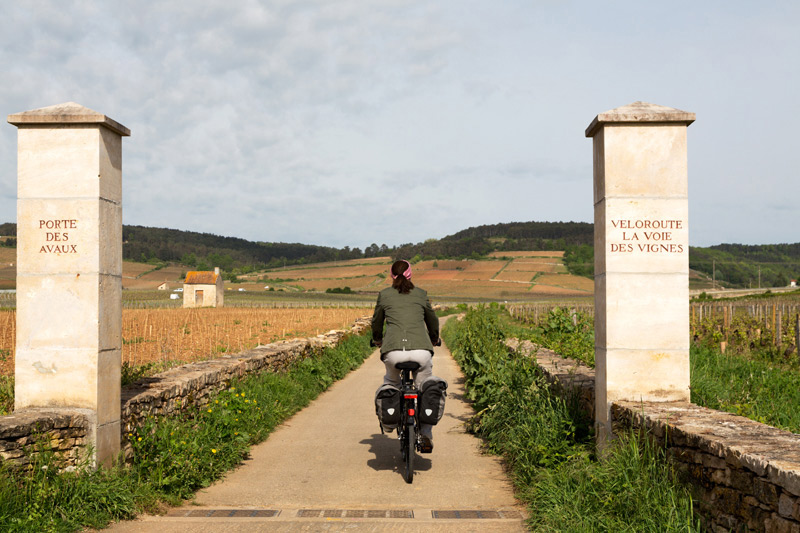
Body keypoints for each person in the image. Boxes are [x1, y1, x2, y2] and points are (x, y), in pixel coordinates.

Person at [371, 259, 440, 451]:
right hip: (421, 351)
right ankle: (426, 434)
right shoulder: (420, 294)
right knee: (425, 388)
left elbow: (376, 321)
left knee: (391, 383)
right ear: (410, 274)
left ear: (392, 275)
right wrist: (434, 338)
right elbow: (432, 320)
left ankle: (389, 422)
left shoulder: (384, 295)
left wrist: (378, 339)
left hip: (393, 352)